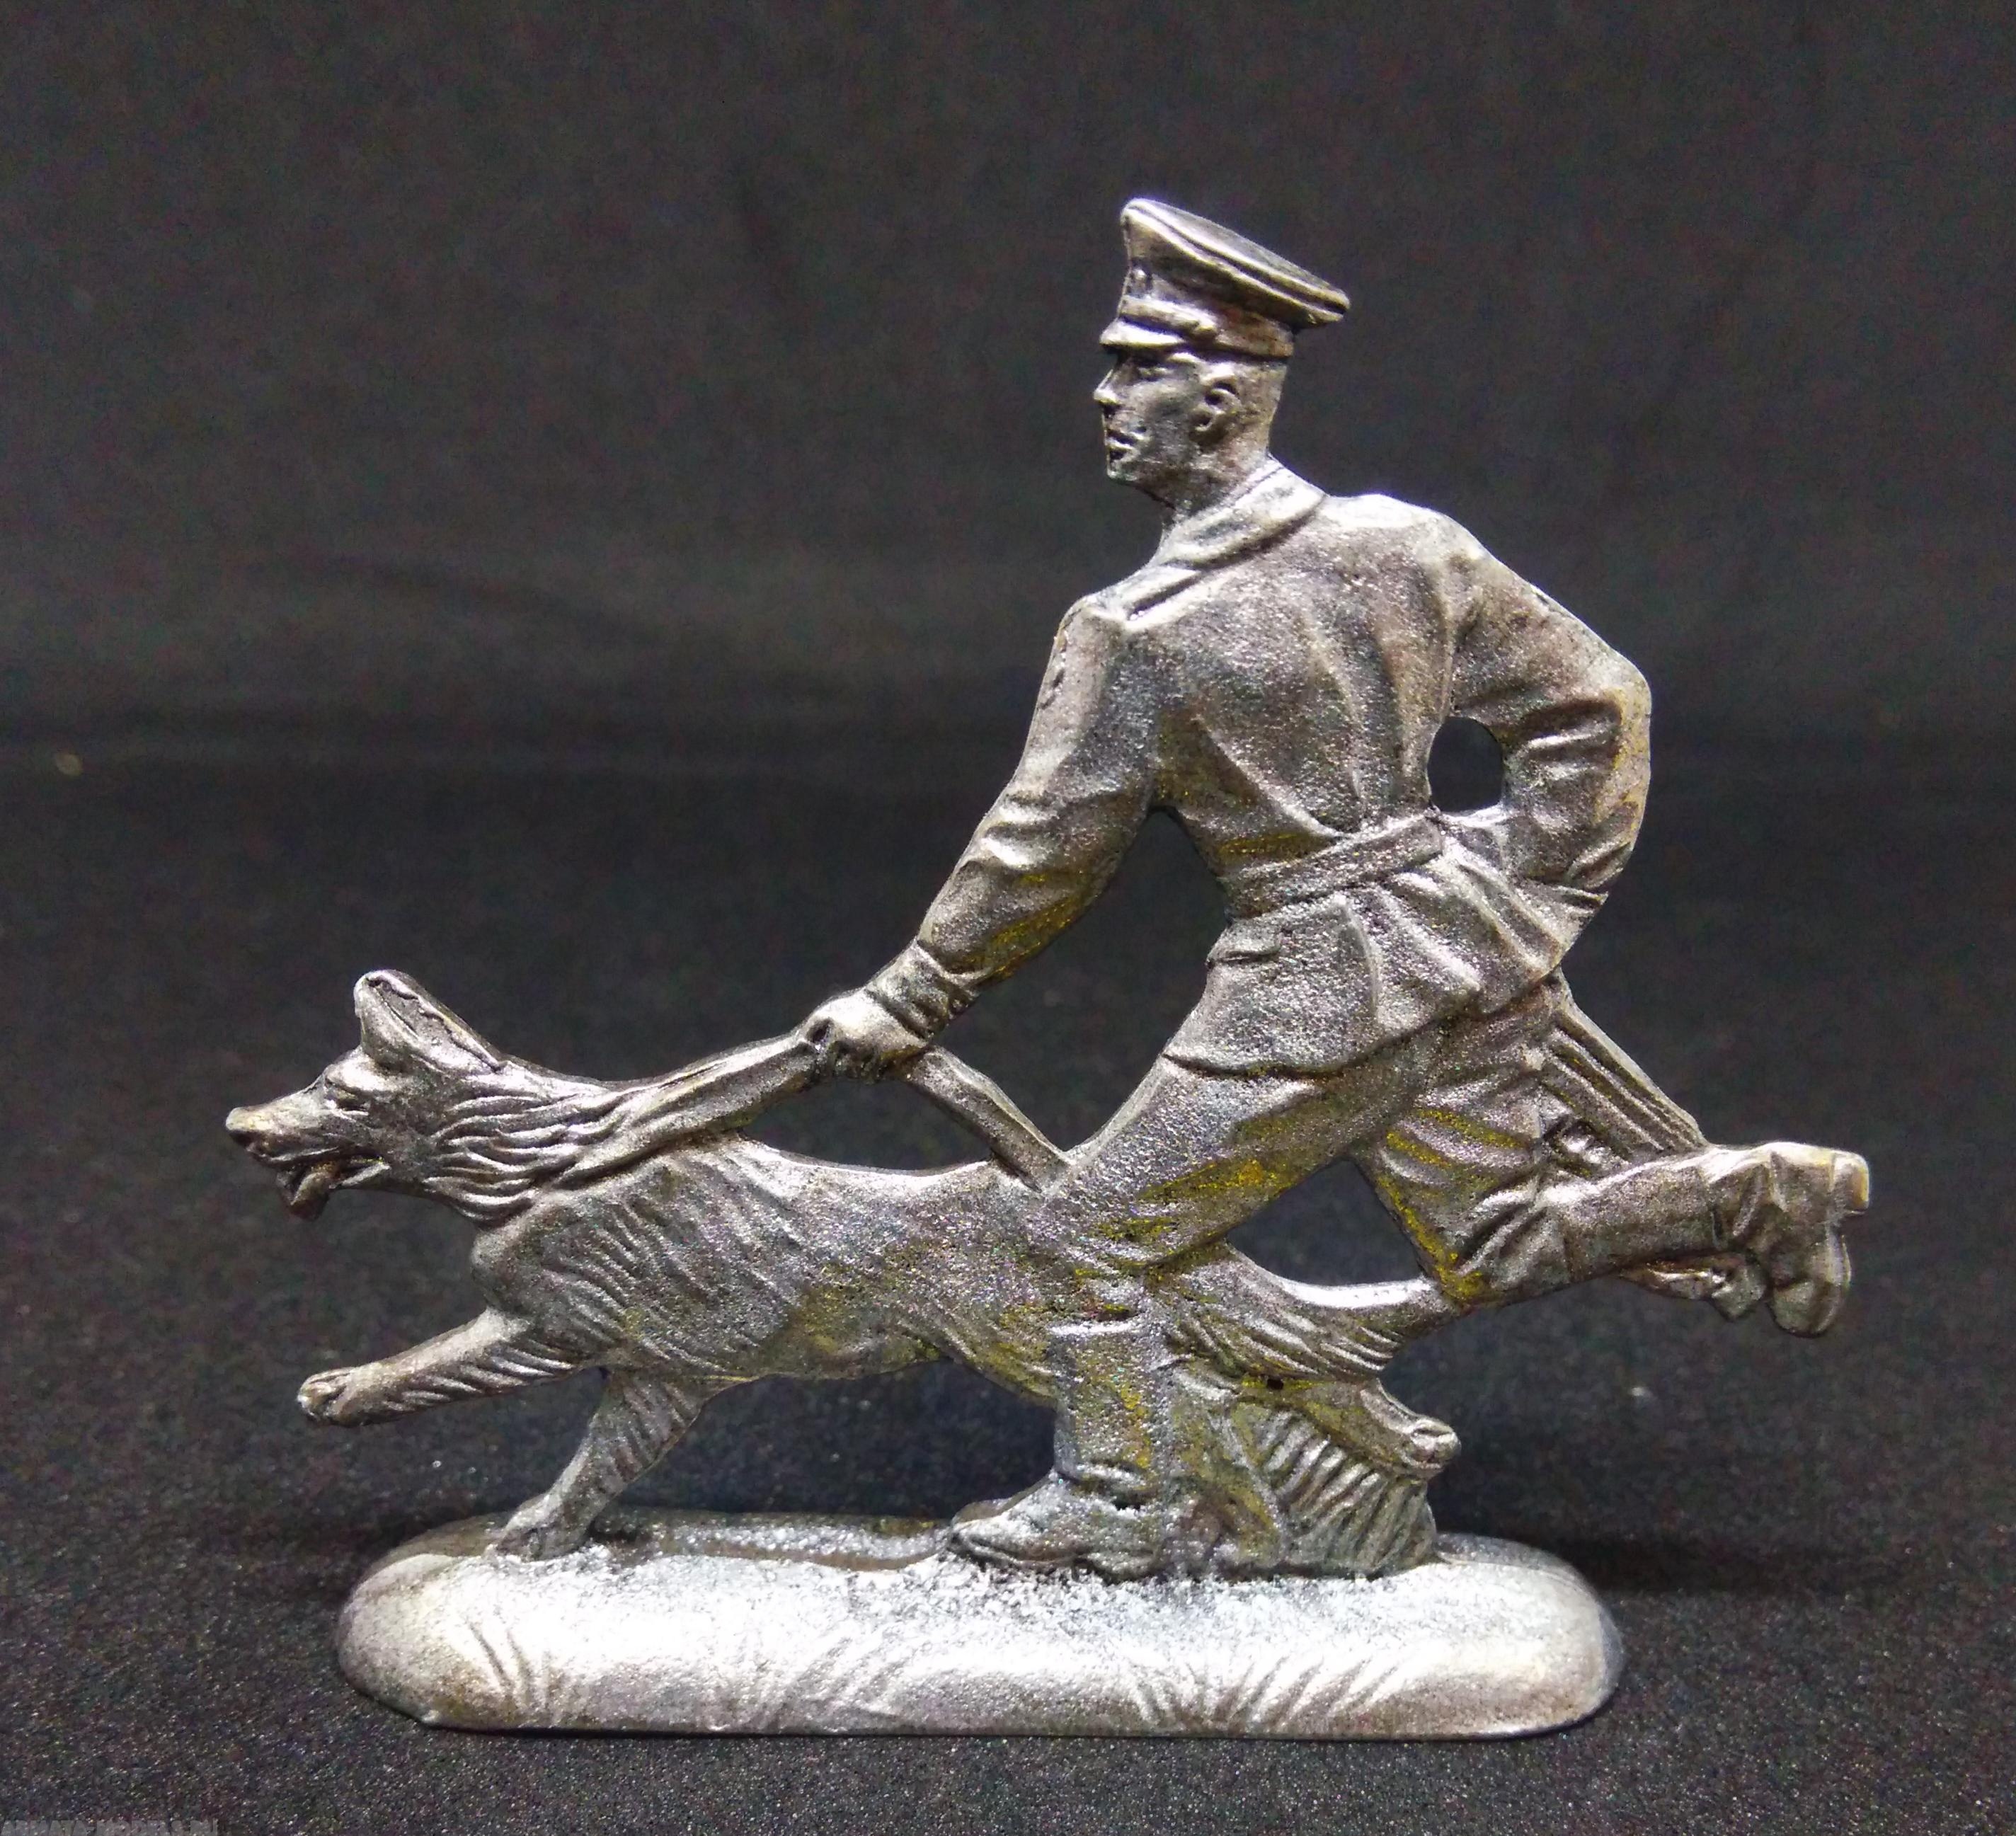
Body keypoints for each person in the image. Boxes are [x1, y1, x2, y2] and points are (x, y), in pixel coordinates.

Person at [804, 200, 1868, 1576]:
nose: (1102, 398)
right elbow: (1595, 704)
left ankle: (1116, 1501)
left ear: (1216, 397)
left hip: (1307, 986)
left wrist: (910, 998)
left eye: (1133, 370)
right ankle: (1751, 1198)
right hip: (1458, 942)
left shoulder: (1132, 631)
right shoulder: (1406, 547)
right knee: (1494, 1241)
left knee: (1081, 1237)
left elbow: (1043, 845)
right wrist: (1524, 892)